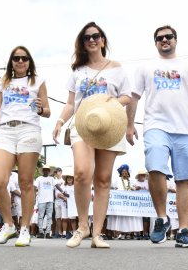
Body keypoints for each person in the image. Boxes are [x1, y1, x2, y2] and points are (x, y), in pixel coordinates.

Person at [126, 25, 188, 248]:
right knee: (155, 167)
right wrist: (129, 124)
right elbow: (134, 97)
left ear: (176, 40)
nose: (164, 40)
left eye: (168, 37)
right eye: (160, 38)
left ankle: (184, 231)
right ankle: (162, 218)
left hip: (186, 129)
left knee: (184, 179)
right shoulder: (145, 67)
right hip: (156, 125)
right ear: (155, 43)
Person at [52, 21, 131, 249]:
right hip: (83, 123)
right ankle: (82, 226)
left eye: (96, 36)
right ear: (83, 44)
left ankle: (97, 234)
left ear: (103, 40)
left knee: (104, 179)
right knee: (82, 173)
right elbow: (70, 103)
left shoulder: (117, 68)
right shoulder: (78, 70)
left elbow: (127, 96)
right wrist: (59, 121)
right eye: (87, 38)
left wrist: (112, 102)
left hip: (110, 124)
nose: (92, 40)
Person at [0, 45, 51, 247]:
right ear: (11, 62)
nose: (20, 61)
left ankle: (24, 229)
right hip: (5, 131)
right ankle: (8, 225)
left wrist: (41, 109)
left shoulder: (37, 81)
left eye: (24, 58)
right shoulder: (3, 82)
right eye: (16, 58)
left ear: (29, 61)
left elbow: (47, 111)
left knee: (25, 182)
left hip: (28, 130)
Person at [35, 165, 55, 239]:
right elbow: (35, 187)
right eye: (44, 170)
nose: (46, 171)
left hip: (50, 200)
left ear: (49, 171)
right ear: (43, 171)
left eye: (47, 170)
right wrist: (34, 197)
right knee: (40, 216)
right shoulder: (39, 179)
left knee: (49, 217)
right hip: (41, 200)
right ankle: (40, 232)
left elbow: (57, 186)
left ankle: (47, 233)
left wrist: (63, 192)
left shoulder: (52, 179)